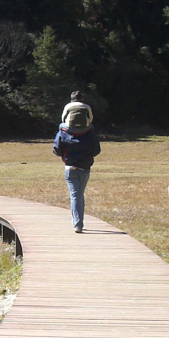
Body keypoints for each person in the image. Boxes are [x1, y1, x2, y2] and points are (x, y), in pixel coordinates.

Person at [52, 91, 100, 233]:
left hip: (70, 167)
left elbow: (56, 149)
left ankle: (77, 223)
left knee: (75, 195)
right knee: (79, 195)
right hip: (84, 167)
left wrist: (65, 156)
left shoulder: (63, 130)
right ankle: (78, 221)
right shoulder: (90, 131)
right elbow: (96, 150)